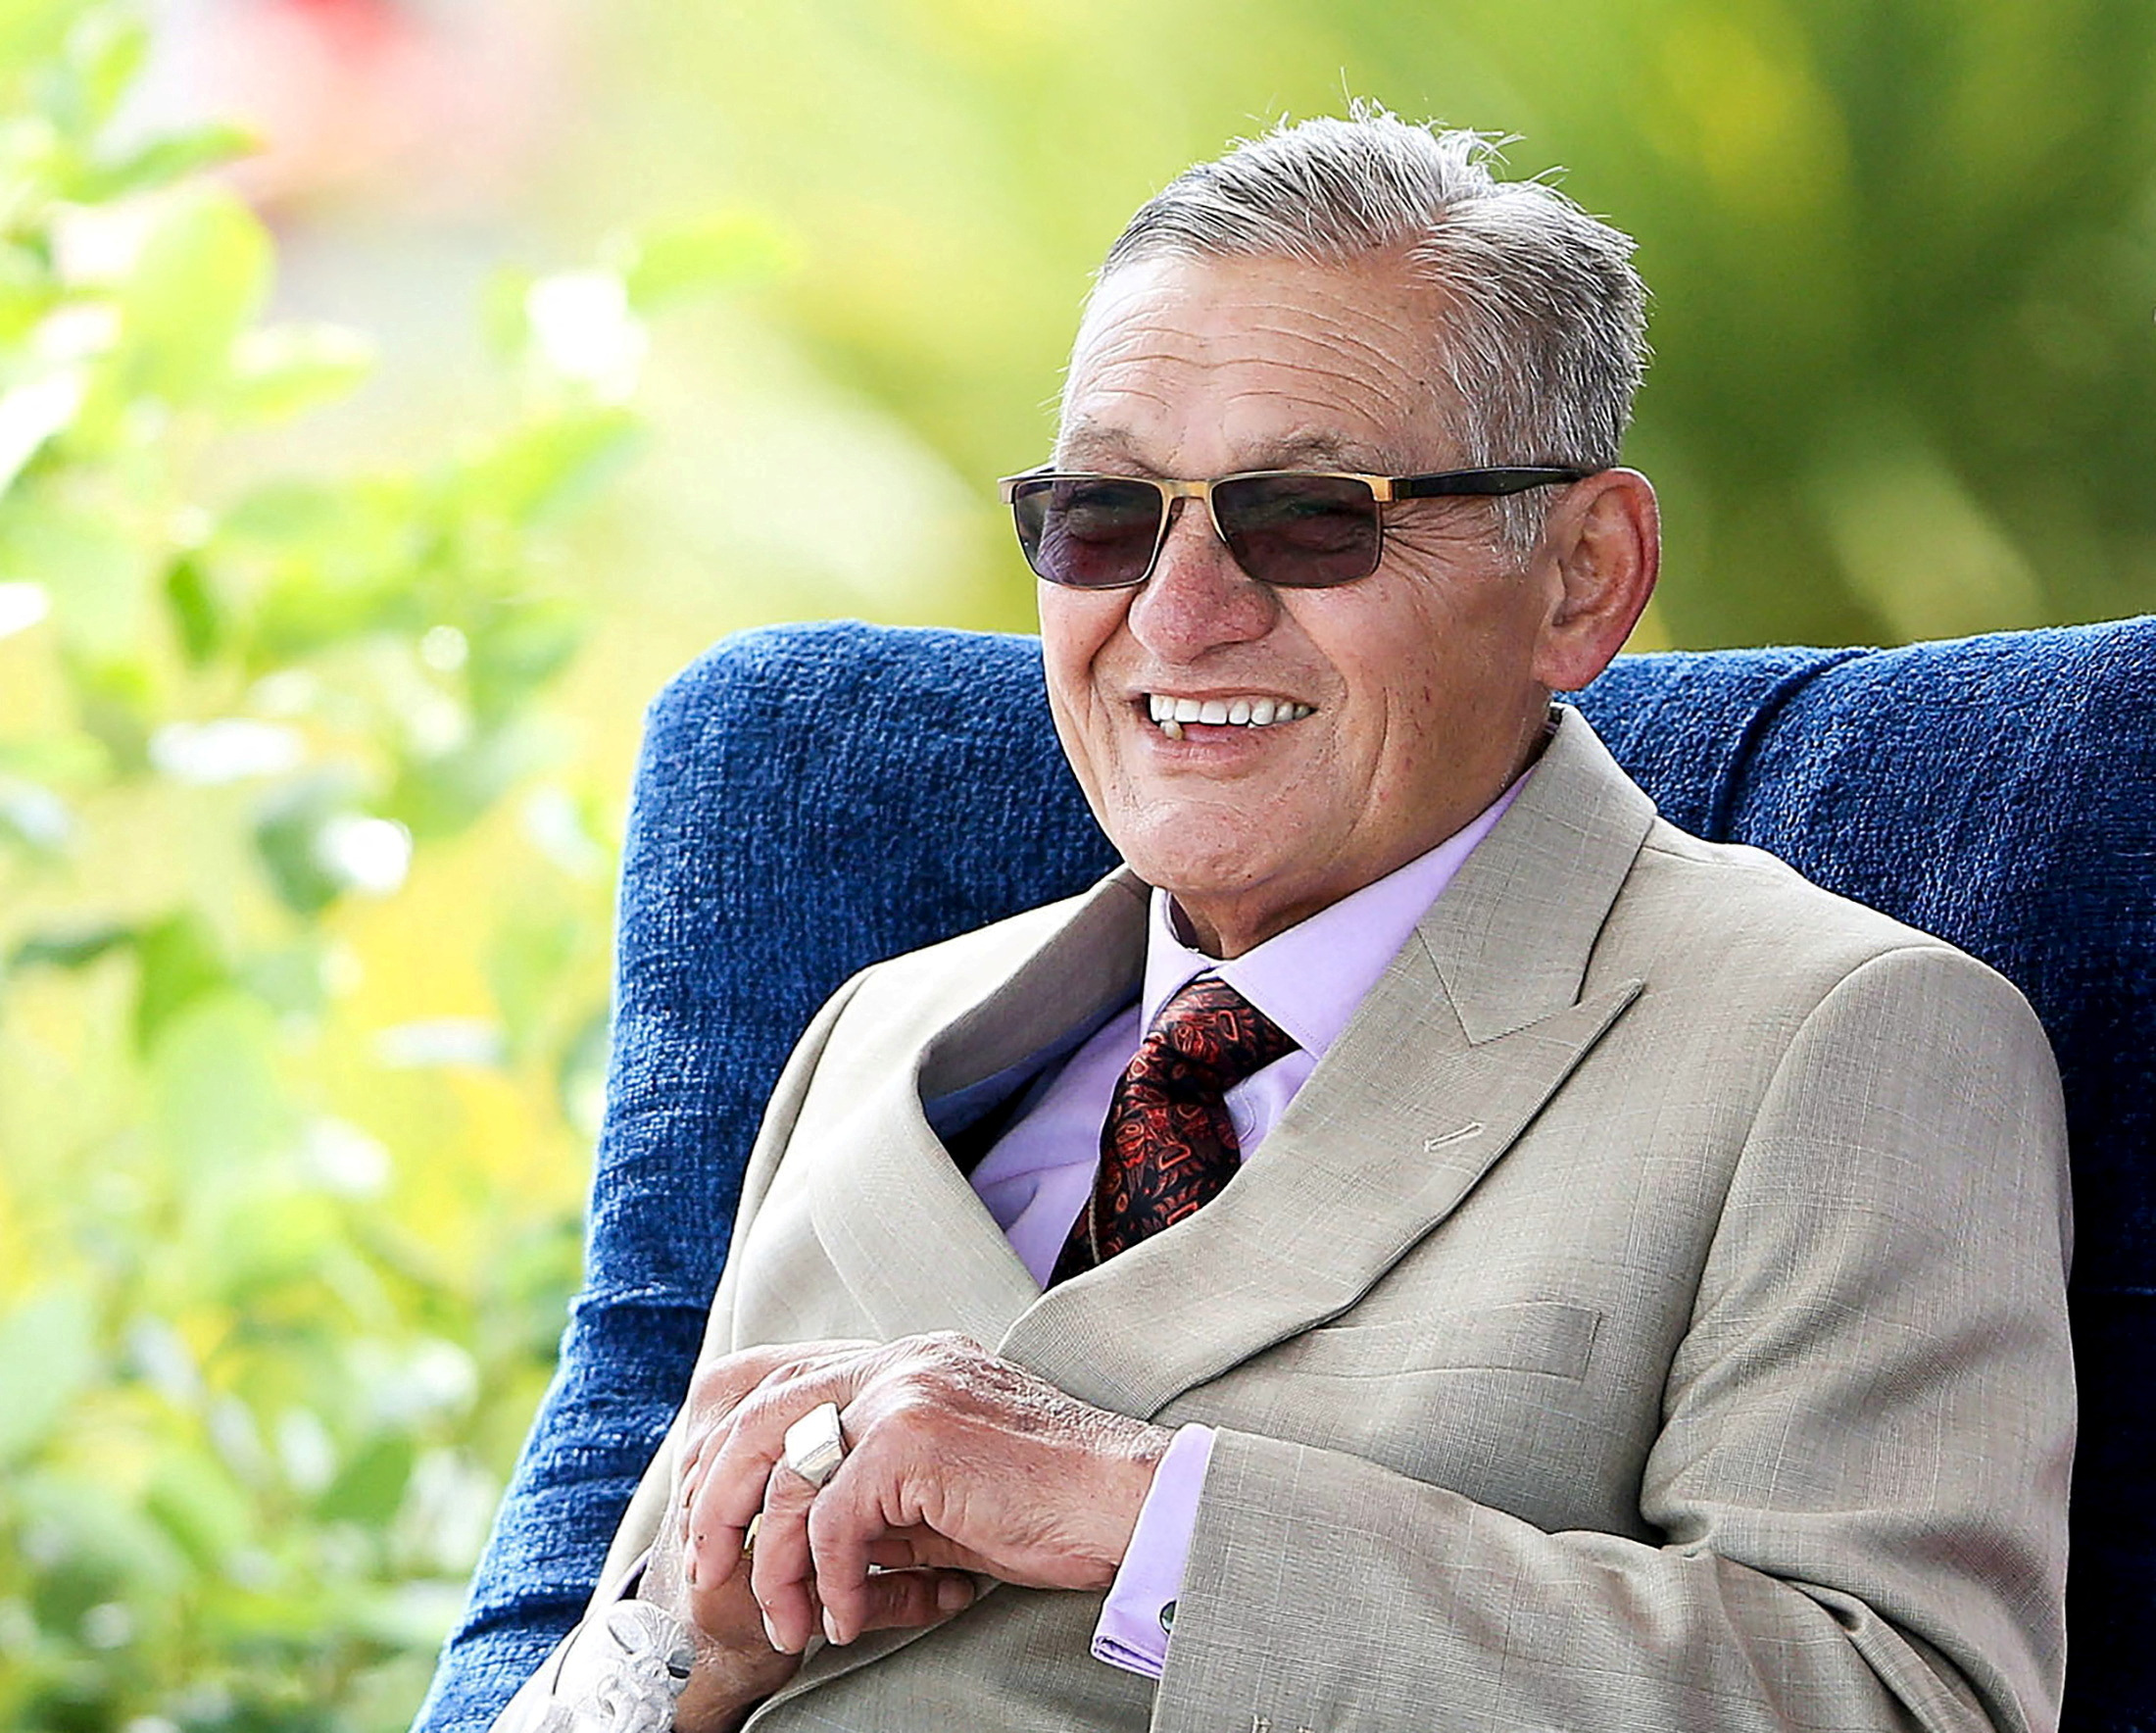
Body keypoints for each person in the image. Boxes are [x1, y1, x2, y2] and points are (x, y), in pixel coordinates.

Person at [490, 111, 2073, 1733]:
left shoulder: (1840, 1039)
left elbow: (1894, 1702)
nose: (1178, 616)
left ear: (1585, 576)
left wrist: (1145, 1515)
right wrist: (688, 1655)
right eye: (1106, 515)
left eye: (1309, 515)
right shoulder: (878, 1032)